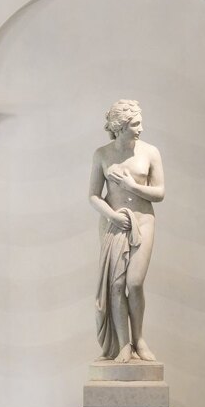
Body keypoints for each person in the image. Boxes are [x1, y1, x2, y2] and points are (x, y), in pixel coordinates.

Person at [88, 99, 165, 363]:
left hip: (143, 222)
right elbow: (93, 195)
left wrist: (132, 186)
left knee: (134, 282)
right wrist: (112, 215)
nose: (141, 128)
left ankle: (140, 339)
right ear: (120, 127)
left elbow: (159, 193)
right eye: (135, 124)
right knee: (116, 284)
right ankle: (124, 344)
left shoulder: (150, 152)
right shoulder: (102, 154)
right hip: (114, 223)